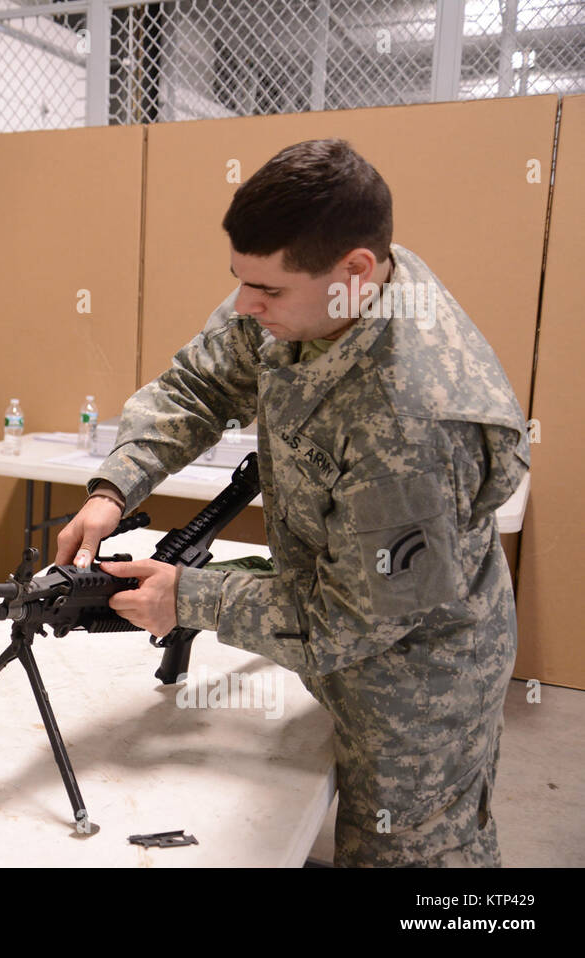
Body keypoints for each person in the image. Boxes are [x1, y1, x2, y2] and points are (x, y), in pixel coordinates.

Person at [56, 139, 529, 867]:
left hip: (421, 674)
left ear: (355, 273)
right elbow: (199, 386)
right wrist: (114, 486)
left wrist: (193, 599)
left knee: (411, 857)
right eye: (240, 282)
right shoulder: (314, 287)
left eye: (268, 292)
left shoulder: (415, 418)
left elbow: (352, 620)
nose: (246, 306)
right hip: (347, 610)